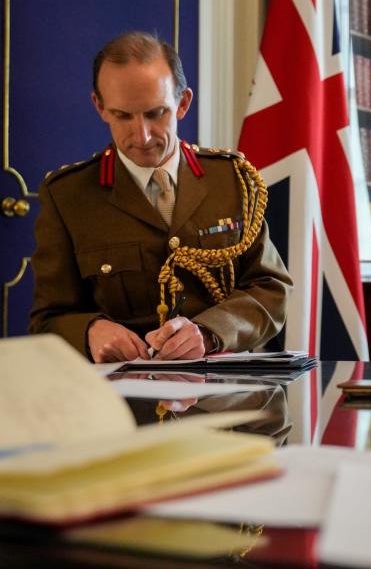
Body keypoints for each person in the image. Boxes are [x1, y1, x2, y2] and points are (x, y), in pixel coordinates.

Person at [29, 31, 292, 362]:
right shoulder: (67, 196)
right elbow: (47, 319)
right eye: (123, 116)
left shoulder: (232, 180)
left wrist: (210, 332)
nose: (142, 135)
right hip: (120, 398)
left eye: (156, 113)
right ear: (100, 107)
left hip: (223, 390)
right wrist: (89, 330)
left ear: (182, 103)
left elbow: (271, 289)